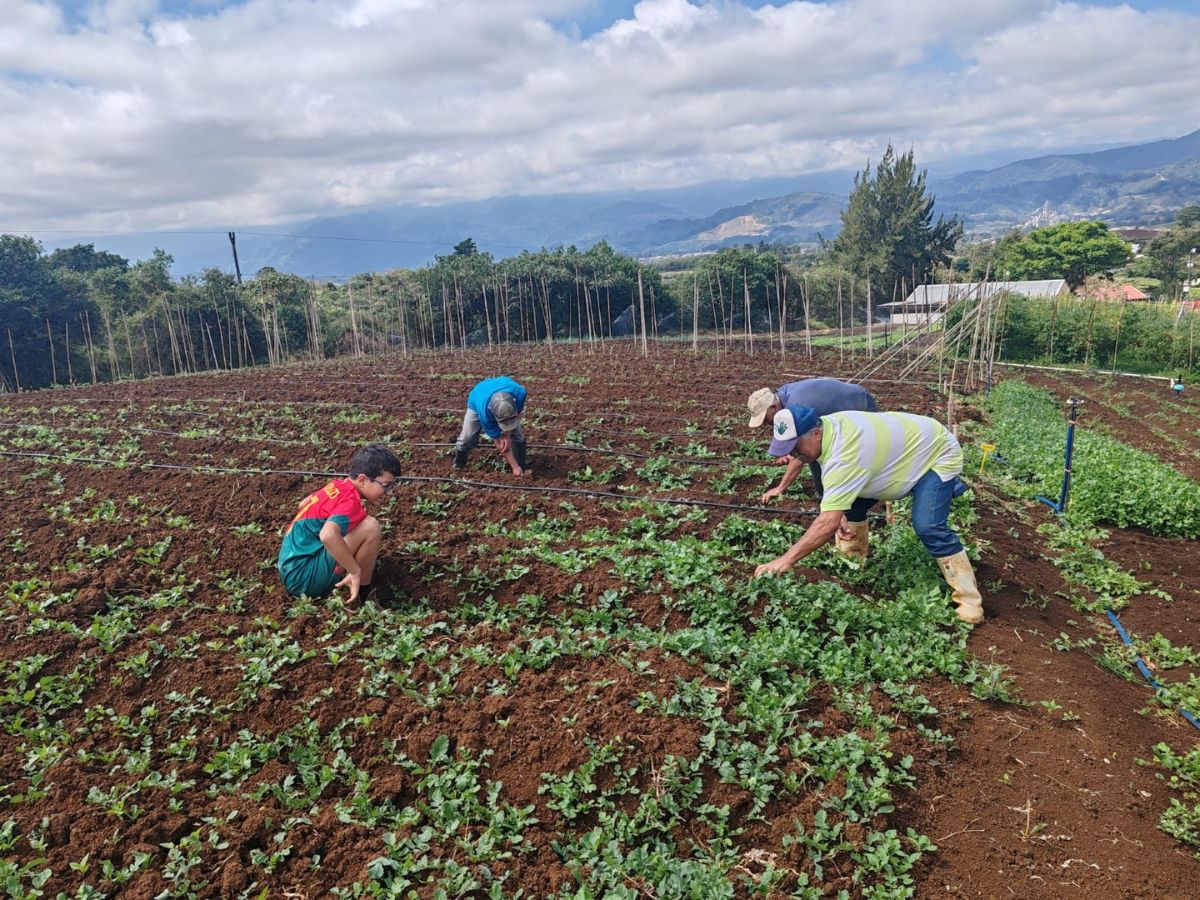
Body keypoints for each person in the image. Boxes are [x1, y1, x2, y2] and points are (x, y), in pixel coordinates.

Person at [752, 404, 984, 626]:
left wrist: (786, 560)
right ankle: (852, 564)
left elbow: (827, 521)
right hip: (897, 456)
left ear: (815, 433)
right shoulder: (827, 429)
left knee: (928, 525)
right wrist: (834, 508)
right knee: (851, 507)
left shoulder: (845, 454)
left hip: (936, 452)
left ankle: (969, 599)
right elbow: (833, 494)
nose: (794, 454)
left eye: (795, 447)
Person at [277, 443, 402, 603]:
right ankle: (362, 597)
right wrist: (354, 570)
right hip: (305, 581)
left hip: (290, 569)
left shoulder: (336, 486)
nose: (388, 493)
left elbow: (303, 504)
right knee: (370, 527)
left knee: (353, 526)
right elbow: (328, 535)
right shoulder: (350, 501)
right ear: (362, 479)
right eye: (386, 486)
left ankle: (336, 570)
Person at [747, 378, 878, 503]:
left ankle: (836, 502)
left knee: (814, 452)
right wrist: (788, 450)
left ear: (774, 408)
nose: (765, 424)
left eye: (765, 419)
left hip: (861, 405)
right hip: (846, 404)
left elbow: (801, 456)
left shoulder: (798, 407)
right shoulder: (781, 396)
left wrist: (780, 488)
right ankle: (830, 499)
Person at [453, 376, 527, 476]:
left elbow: (514, 415)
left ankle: (521, 466)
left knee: (517, 436)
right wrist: (514, 466)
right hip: (477, 398)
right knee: (467, 437)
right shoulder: (485, 413)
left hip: (500, 386)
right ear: (492, 411)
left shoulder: (519, 394)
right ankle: (459, 464)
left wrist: (507, 435)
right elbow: (499, 443)